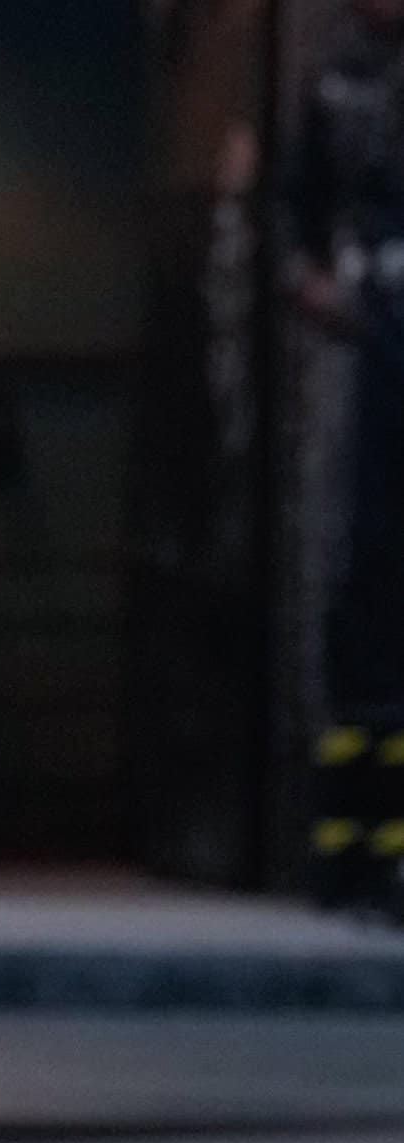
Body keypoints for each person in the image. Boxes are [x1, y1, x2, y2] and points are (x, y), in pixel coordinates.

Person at [278, 0, 404, 915]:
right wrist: (309, 280)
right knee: (365, 566)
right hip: (372, 337)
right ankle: (351, 852)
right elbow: (293, 216)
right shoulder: (335, 80)